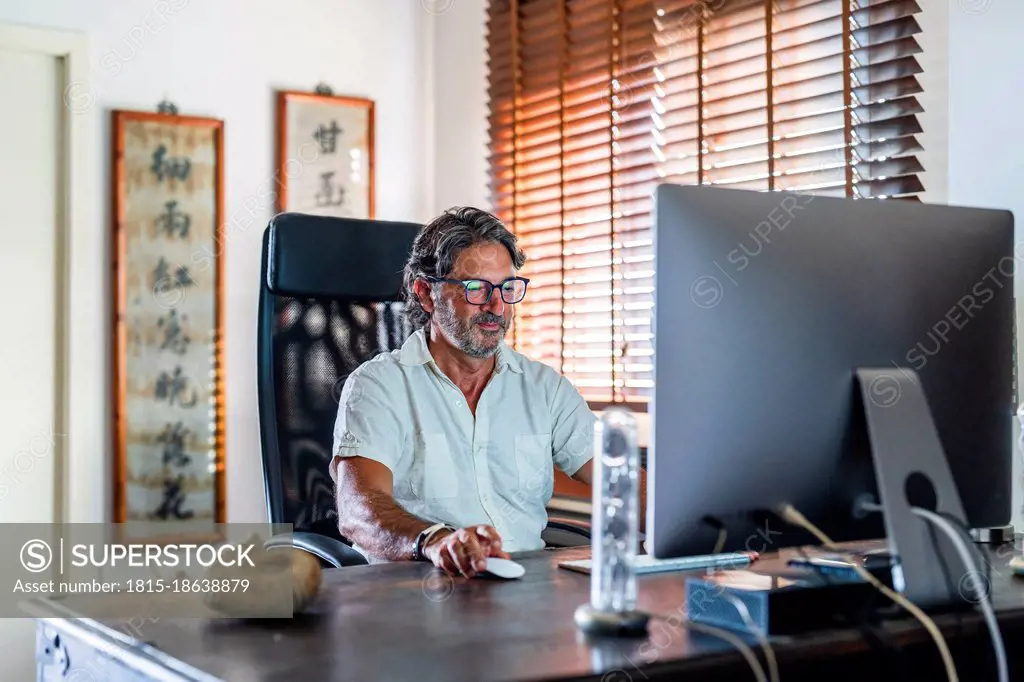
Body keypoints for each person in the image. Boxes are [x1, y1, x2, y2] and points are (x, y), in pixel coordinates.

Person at [330, 207, 646, 577]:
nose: (497, 306)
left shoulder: (544, 388)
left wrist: (707, 524)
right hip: (416, 593)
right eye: (476, 288)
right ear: (426, 294)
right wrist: (435, 541)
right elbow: (357, 511)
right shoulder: (379, 386)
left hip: (525, 595)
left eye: (507, 287)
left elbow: (622, 481)